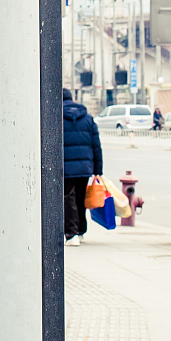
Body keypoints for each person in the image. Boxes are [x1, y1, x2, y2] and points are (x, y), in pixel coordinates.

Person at [62, 87, 103, 246]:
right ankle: (80, 231)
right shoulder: (87, 118)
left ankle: (71, 233)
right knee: (80, 198)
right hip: (85, 167)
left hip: (66, 167)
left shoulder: (57, 116)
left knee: (68, 199)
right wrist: (98, 170)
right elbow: (96, 146)